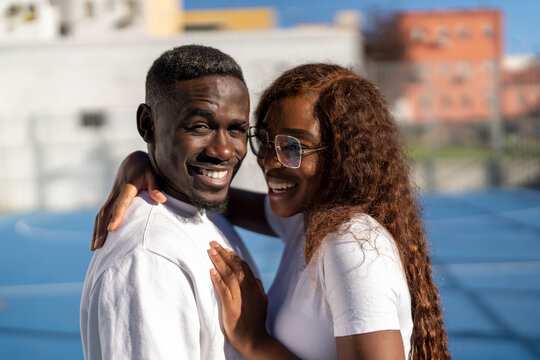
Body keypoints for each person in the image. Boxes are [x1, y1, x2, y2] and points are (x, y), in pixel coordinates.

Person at [93, 64, 450, 359]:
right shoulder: (305, 220)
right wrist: (146, 162)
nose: (267, 161)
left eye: (292, 147)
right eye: (264, 141)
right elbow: (220, 197)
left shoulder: (351, 245)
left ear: (344, 157)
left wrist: (255, 342)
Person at [80, 45, 260, 360]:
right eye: (200, 127)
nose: (224, 151)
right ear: (148, 125)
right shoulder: (148, 259)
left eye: (237, 130)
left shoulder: (207, 212)